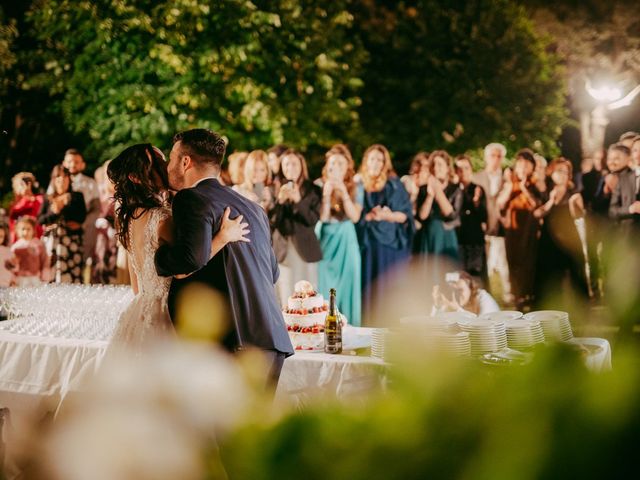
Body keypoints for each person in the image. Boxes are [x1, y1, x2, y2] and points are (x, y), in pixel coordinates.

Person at [155, 129, 294, 387]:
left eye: (172, 158)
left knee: (223, 428)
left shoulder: (191, 198)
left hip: (233, 341)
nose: (168, 166)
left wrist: (161, 254)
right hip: (272, 340)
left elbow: (188, 260)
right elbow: (272, 272)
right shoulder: (254, 208)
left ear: (186, 162)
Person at [107, 143, 249, 352]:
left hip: (140, 312)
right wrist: (224, 236)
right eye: (156, 163)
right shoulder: (163, 219)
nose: (165, 166)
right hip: (169, 314)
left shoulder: (128, 221)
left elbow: (137, 287)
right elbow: (185, 266)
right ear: (136, 178)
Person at [356, 144, 414, 321]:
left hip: (389, 244)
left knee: (389, 286)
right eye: (372, 158)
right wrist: (369, 216)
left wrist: (386, 215)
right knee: (369, 286)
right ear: (366, 161)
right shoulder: (358, 185)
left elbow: (405, 216)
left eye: (380, 160)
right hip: (366, 243)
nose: (375, 163)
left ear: (385, 163)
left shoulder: (394, 185)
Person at [316, 144, 363, 327]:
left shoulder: (356, 186)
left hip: (346, 237)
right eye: (333, 163)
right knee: (326, 285)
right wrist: (326, 196)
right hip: (327, 238)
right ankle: (327, 329)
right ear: (327, 165)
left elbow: (355, 217)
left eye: (341, 163)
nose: (337, 167)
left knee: (348, 285)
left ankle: (351, 330)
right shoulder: (319, 185)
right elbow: (323, 217)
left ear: (347, 167)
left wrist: (343, 192)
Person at [270, 149, 323, 307]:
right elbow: (271, 222)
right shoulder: (274, 189)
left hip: (305, 249)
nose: (290, 167)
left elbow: (312, 220)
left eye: (294, 163)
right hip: (282, 250)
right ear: (281, 167)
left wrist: (299, 201)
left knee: (307, 297)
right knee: (284, 295)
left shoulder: (313, 189)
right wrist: (279, 202)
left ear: (302, 166)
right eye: (286, 163)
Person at [533, 158, 589, 303]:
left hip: (568, 235)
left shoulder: (574, 192)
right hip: (549, 235)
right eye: (559, 171)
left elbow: (581, 215)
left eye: (566, 171)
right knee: (548, 271)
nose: (563, 174)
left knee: (574, 269)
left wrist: (574, 206)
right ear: (551, 173)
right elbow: (537, 213)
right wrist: (551, 201)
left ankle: (579, 305)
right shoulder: (546, 191)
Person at [497, 148, 543, 309]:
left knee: (529, 262)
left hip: (529, 230)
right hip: (513, 229)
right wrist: (510, 186)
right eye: (520, 164)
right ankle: (517, 298)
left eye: (526, 164)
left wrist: (524, 188)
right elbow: (500, 203)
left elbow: (537, 204)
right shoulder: (509, 182)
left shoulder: (536, 182)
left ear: (532, 167)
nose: (523, 168)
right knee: (513, 262)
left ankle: (529, 297)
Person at [472, 143, 512, 304]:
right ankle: (485, 297)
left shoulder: (507, 178)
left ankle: (508, 295)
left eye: (498, 156)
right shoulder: (477, 177)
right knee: (485, 264)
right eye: (492, 155)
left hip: (502, 226)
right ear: (486, 157)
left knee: (504, 263)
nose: (495, 159)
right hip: (483, 225)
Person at [415, 150, 462, 281]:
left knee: (447, 275)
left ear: (448, 168)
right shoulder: (424, 189)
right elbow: (422, 216)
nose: (436, 168)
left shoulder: (455, 189)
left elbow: (451, 214)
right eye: (434, 165)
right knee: (428, 276)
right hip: (428, 236)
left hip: (446, 236)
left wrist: (437, 190)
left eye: (440, 164)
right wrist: (430, 195)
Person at [38, 165, 87, 284]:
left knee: (72, 276)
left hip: (71, 242)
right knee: (50, 276)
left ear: (69, 179)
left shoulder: (77, 196)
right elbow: (40, 220)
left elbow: (81, 217)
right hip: (51, 244)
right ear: (53, 180)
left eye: (65, 177)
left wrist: (64, 206)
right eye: (58, 177)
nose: (62, 180)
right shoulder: (48, 198)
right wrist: (55, 212)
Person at [62, 149, 101, 267]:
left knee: (81, 265)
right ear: (64, 163)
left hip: (84, 232)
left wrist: (81, 223)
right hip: (61, 231)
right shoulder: (57, 181)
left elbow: (96, 209)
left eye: (76, 162)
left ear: (82, 164)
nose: (72, 164)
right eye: (69, 161)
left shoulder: (90, 183)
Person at [454, 155, 488, 284]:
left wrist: (476, 203)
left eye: (466, 168)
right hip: (457, 238)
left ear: (471, 169)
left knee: (475, 276)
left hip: (474, 239)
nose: (463, 171)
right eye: (459, 168)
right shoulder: (453, 189)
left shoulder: (478, 189)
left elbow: (484, 217)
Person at [431, 271, 499, 316]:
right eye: (453, 290)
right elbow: (435, 326)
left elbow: (484, 325)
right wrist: (437, 305)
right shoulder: (450, 300)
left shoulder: (483, 297)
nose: (456, 295)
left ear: (470, 288)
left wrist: (457, 309)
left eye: (460, 290)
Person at [608, 143, 640, 235]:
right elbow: (612, 210)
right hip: (625, 236)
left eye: (616, 158)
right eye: (635, 150)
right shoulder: (624, 178)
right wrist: (631, 209)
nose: (611, 162)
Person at [10, 216, 49, 287]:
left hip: (36, 279)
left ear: (33, 230)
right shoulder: (15, 247)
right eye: (23, 229)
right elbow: (12, 266)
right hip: (20, 280)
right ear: (17, 230)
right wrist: (12, 279)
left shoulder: (39, 245)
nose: (25, 232)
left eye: (28, 229)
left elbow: (45, 262)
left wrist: (45, 277)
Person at [8, 172, 44, 243]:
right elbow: (13, 227)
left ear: (30, 184)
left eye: (21, 184)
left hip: (37, 241)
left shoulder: (39, 200)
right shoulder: (16, 206)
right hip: (21, 243)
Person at [0, 223, 15, 287]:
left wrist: (13, 280)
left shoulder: (8, 251)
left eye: (0, 236)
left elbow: (13, 269)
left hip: (4, 283)